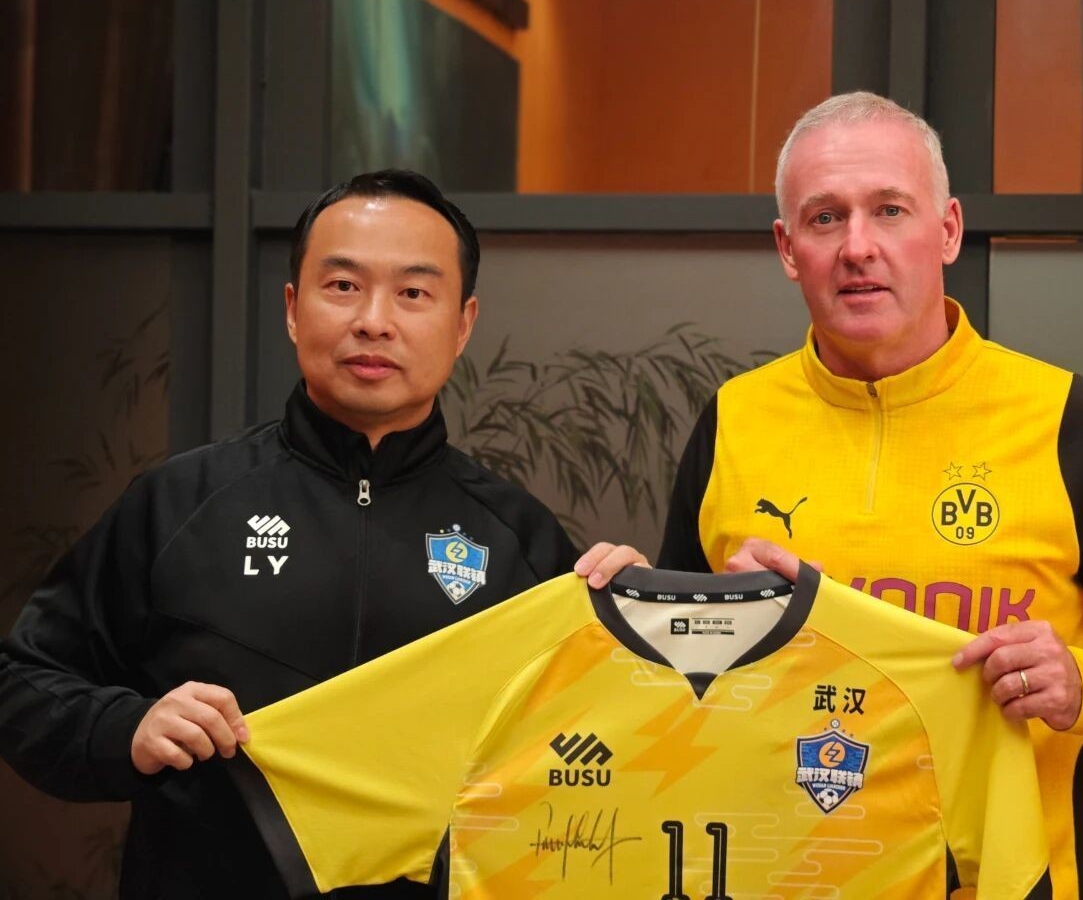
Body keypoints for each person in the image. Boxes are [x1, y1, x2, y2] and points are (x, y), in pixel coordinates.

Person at [598, 93, 1083, 898]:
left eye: (890, 210)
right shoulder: (734, 421)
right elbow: (678, 690)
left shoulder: (1063, 420)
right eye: (825, 218)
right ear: (788, 248)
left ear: (947, 230)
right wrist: (633, 612)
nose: (857, 247)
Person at [0, 169, 641, 898]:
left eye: (413, 293)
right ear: (292, 309)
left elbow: (597, 759)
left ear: (462, 324)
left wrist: (636, 630)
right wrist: (128, 728)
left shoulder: (519, 538)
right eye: (342, 286)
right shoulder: (179, 503)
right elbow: (22, 683)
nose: (374, 320)